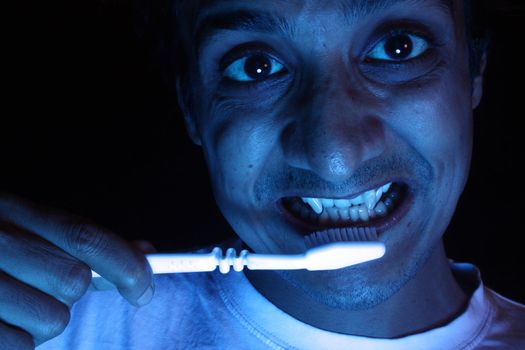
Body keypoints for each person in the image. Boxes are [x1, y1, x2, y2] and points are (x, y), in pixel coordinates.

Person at [1, 0, 524, 349]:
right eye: (255, 67)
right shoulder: (52, 331)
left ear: (474, 69)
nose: (333, 154)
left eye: (398, 48)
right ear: (192, 107)